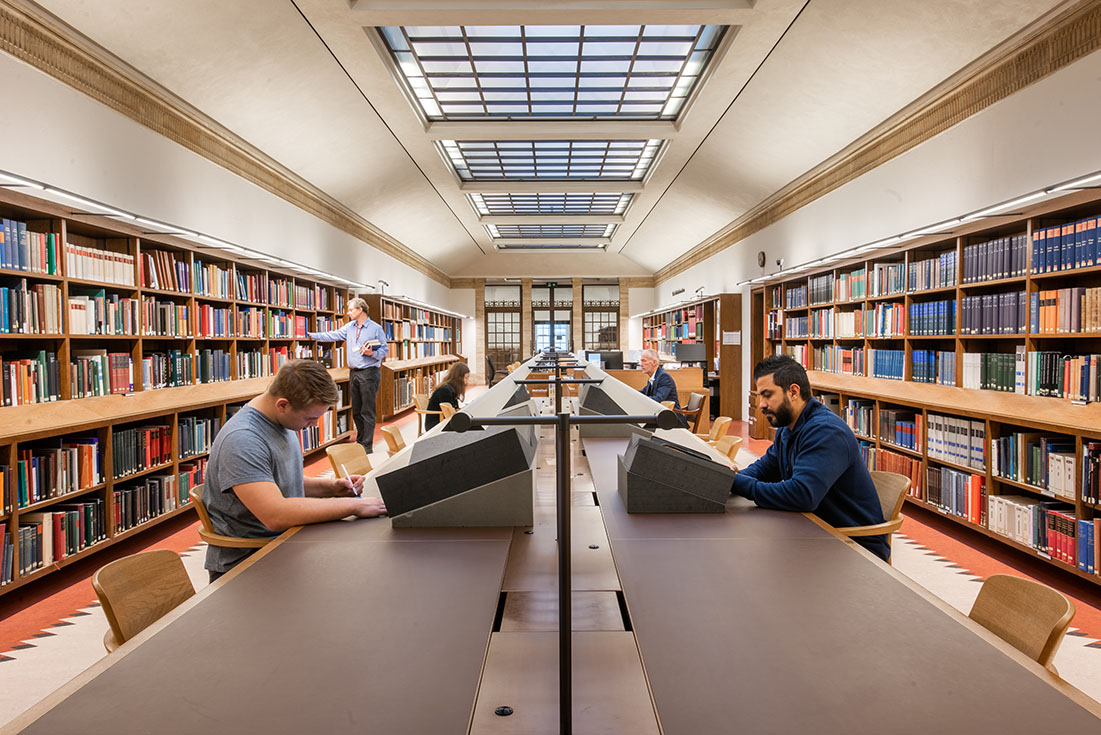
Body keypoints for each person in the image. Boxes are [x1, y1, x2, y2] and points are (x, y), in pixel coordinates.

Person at [203, 360, 387, 581]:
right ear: (283, 404)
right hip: (250, 561)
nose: (312, 424)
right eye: (310, 418)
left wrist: (331, 488)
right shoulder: (243, 439)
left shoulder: (281, 420)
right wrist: (353, 506)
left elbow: (277, 481)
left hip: (288, 541)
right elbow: (275, 514)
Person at [731, 355, 890, 561]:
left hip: (853, 546)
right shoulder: (789, 427)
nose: (761, 404)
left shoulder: (826, 431)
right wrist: (728, 478)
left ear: (793, 392)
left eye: (767, 395)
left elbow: (802, 495)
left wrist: (737, 483)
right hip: (816, 530)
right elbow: (765, 468)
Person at [308, 297, 388, 452]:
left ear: (360, 310)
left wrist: (372, 353)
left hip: (369, 372)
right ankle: (360, 441)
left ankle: (367, 445)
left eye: (351, 309)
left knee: (367, 410)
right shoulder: (349, 327)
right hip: (354, 372)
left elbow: (384, 350)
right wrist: (314, 336)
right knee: (356, 410)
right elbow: (333, 335)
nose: (348, 312)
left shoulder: (375, 328)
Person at [639, 348, 686, 426]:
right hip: (662, 416)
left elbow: (659, 399)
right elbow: (642, 393)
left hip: (673, 419)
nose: (641, 364)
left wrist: (641, 399)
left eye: (644, 361)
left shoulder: (663, 377)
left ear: (654, 362)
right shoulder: (653, 378)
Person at [425, 362, 470, 431]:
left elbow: (453, 409)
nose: (467, 381)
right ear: (459, 378)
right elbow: (448, 412)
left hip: (442, 421)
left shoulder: (450, 388)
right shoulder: (445, 390)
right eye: (466, 378)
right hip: (435, 424)